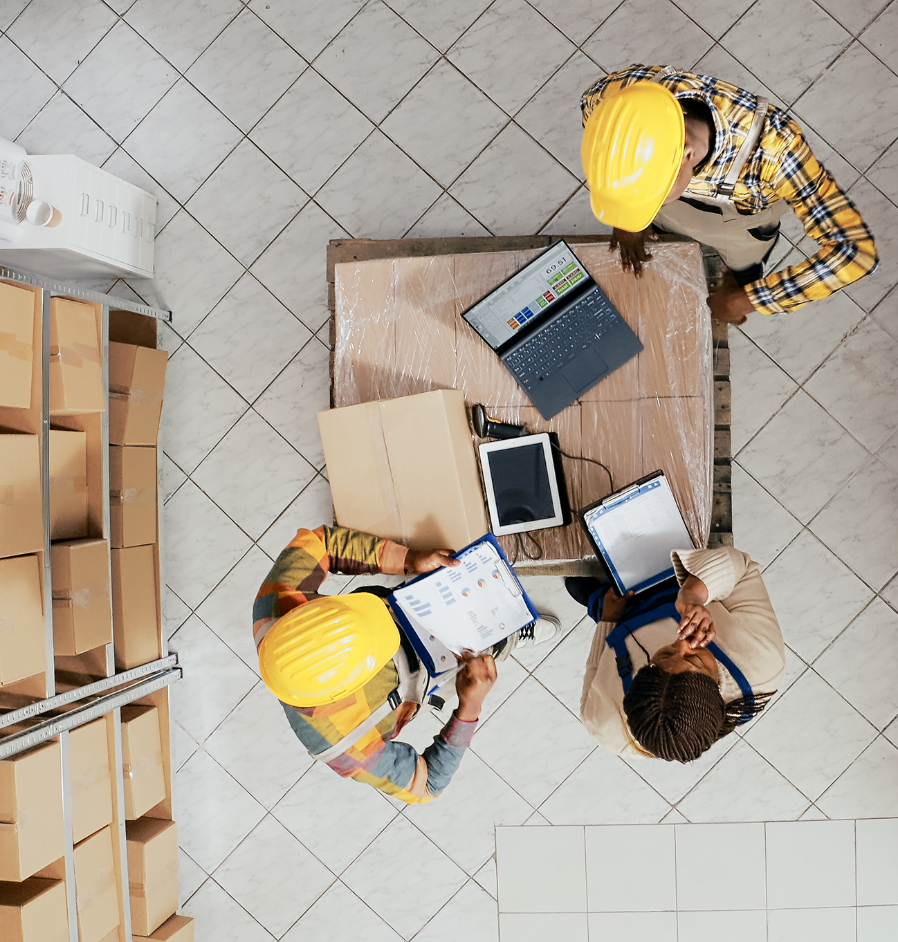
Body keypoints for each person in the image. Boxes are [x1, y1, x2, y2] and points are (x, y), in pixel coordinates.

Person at [252, 524, 559, 803]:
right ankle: (509, 638)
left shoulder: (276, 608)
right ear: (349, 687)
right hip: (429, 675)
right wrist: (470, 707)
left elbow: (324, 542)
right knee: (488, 650)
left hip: (410, 606)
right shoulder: (345, 746)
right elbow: (428, 785)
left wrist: (408, 560)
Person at [580, 65, 878, 325]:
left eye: (654, 195)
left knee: (744, 266)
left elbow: (855, 252)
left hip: (741, 221)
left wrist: (743, 300)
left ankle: (740, 274)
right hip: (689, 204)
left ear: (686, 154)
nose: (651, 202)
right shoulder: (612, 97)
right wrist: (629, 217)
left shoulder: (776, 152)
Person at [568, 545, 784, 761]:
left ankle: (597, 600)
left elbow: (595, 670)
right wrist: (693, 594)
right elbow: (742, 567)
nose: (681, 641)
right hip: (684, 573)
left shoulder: (606, 724)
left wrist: (607, 620)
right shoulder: (761, 660)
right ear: (718, 693)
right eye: (695, 658)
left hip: (621, 614)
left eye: (663, 656)